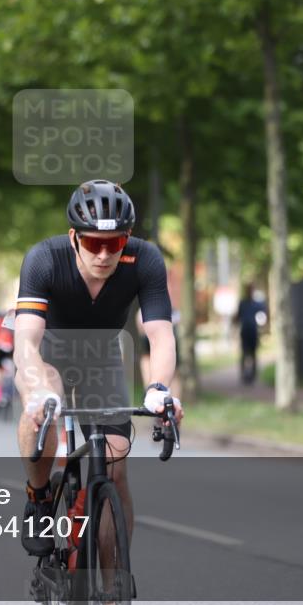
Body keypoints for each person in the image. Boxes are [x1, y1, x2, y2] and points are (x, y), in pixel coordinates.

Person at [13, 179, 183, 559]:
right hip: (49, 355)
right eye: (93, 243)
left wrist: (159, 388)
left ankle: (110, 591)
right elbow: (26, 343)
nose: (104, 254)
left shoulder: (145, 260)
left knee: (115, 468)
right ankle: (38, 497)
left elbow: (160, 334)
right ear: (74, 237)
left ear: (128, 238)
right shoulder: (44, 258)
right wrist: (38, 390)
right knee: (39, 407)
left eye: (115, 243)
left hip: (101, 358)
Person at [234, 282, 266, 384]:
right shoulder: (242, 303)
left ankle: (253, 375)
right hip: (245, 331)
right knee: (244, 353)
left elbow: (263, 316)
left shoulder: (257, 304)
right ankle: (244, 375)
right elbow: (237, 317)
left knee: (253, 354)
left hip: (253, 331)